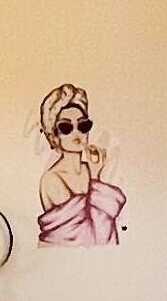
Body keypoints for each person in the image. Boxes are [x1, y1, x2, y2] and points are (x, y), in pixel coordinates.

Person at [34, 84, 127, 247]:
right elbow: (87, 236)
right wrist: (95, 181)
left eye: (83, 125)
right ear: (54, 135)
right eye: (66, 127)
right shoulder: (52, 179)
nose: (77, 133)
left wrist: (95, 175)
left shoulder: (91, 169)